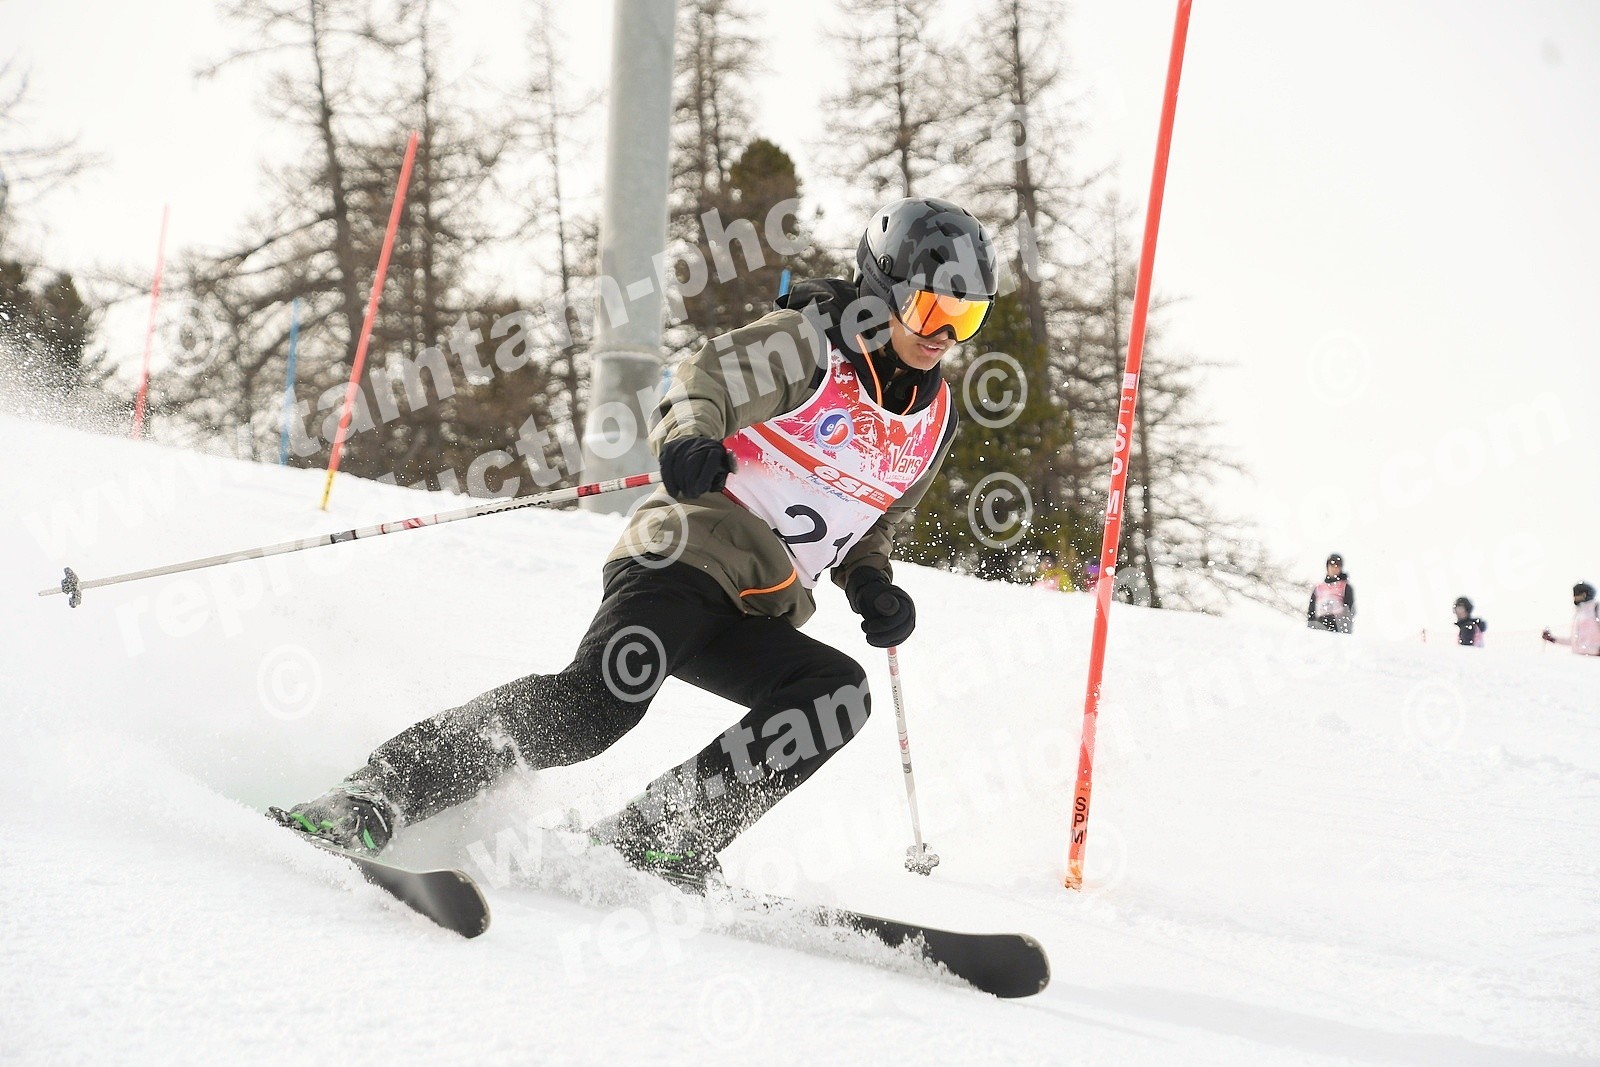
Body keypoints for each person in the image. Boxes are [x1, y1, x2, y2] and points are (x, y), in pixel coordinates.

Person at [268, 197, 998, 890]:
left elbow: (874, 516)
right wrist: (688, 439)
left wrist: (870, 580)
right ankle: (376, 794)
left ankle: (660, 833)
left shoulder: (934, 423)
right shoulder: (807, 346)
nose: (944, 333)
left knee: (834, 694)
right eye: (931, 307)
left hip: (761, 603)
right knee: (598, 705)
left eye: (966, 316)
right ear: (881, 289)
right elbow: (703, 382)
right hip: (682, 559)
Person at [1542, 582, 1600, 656]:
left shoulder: (1596, 609)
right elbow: (1575, 641)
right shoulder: (1579, 614)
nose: (1574, 597)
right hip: (1581, 659)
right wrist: (1553, 639)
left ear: (1584, 595)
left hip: (1595, 659)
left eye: (1577, 594)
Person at [1307, 553, 1355, 634]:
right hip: (1319, 626)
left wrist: (1344, 626)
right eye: (1332, 566)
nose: (1334, 569)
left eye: (1337, 566)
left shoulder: (1345, 587)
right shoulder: (1318, 588)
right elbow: (1311, 612)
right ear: (1327, 567)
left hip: (1337, 626)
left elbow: (1349, 610)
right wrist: (1311, 627)